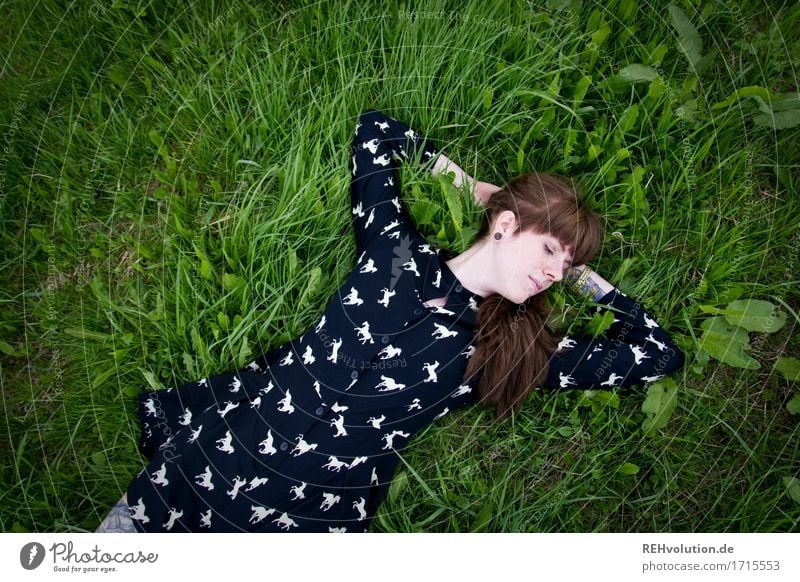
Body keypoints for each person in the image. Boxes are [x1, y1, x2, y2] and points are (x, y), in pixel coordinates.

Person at [96, 109, 684, 533]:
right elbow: (375, 131)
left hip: (302, 522)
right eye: (551, 249)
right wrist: (477, 188)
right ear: (505, 224)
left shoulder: (510, 347)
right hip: (204, 472)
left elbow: (659, 352)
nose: (556, 272)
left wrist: (590, 281)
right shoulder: (393, 252)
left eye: (568, 264)